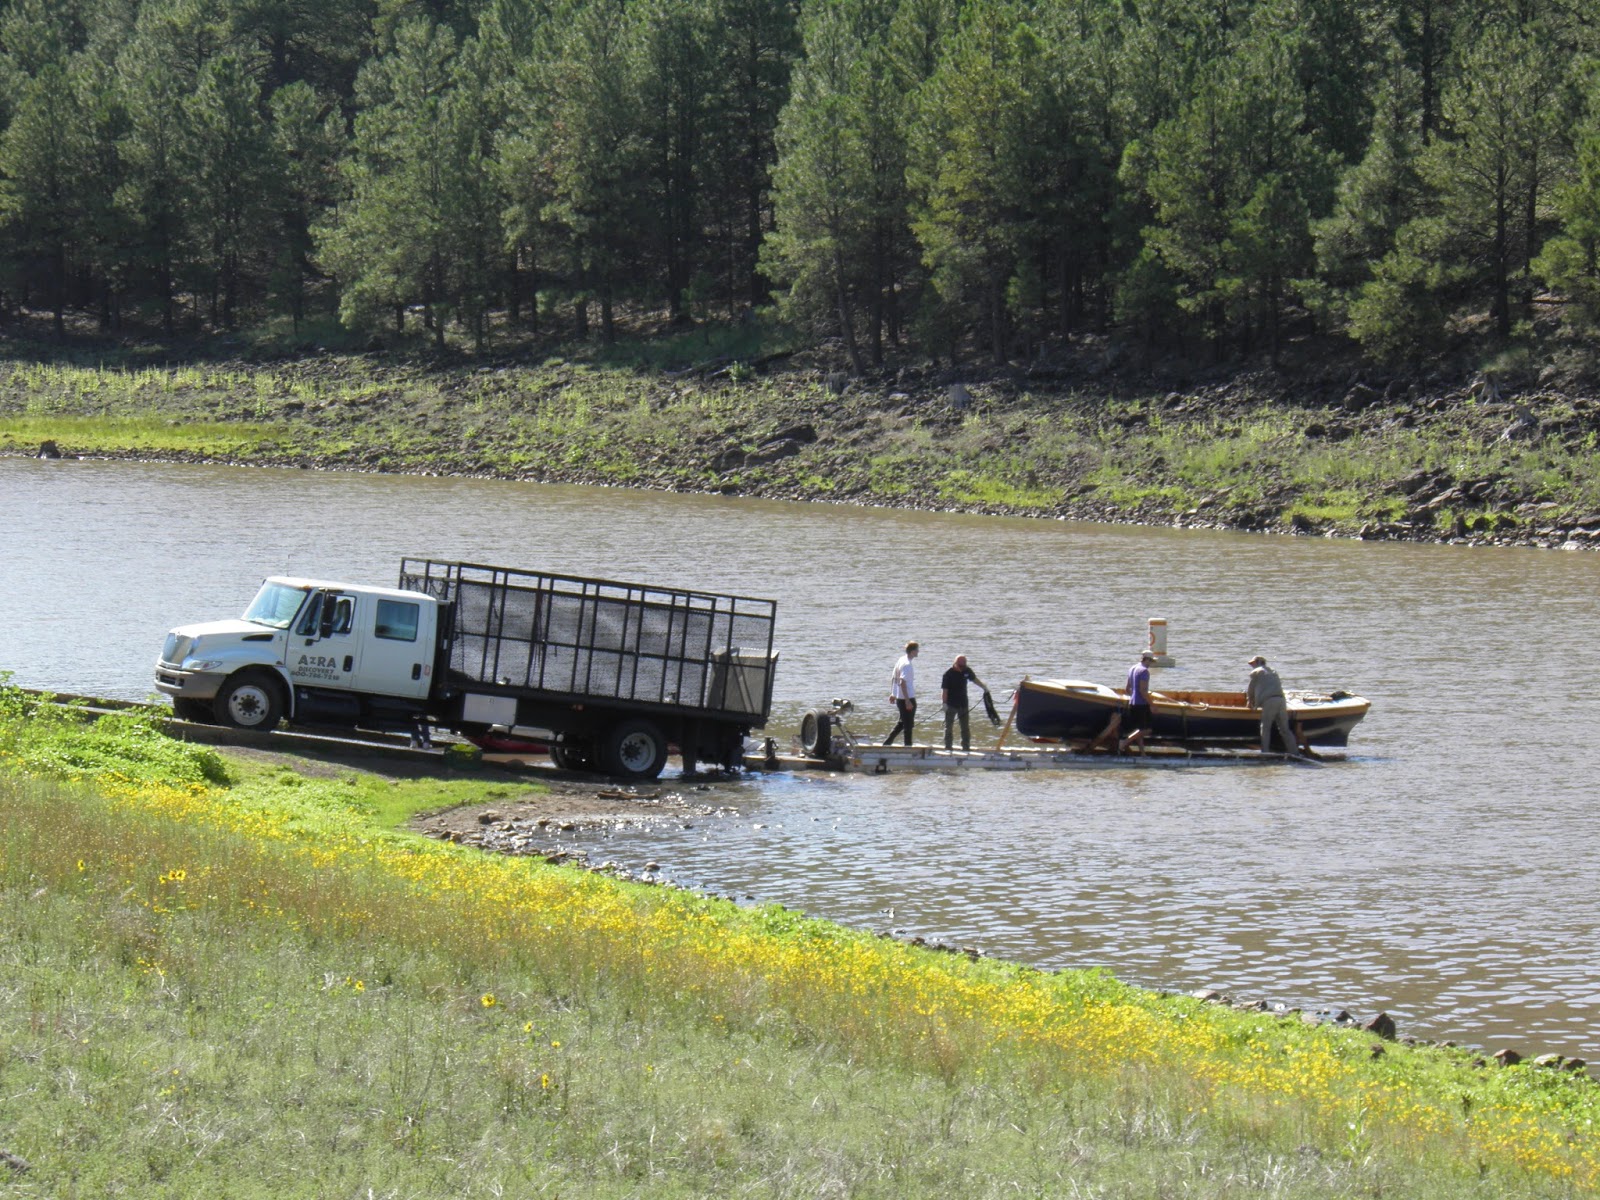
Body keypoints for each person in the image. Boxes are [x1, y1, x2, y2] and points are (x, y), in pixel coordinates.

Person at [1245, 654, 1300, 755]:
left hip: (1269, 701)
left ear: (1258, 663)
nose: (1251, 665)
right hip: (1281, 700)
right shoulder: (1273, 671)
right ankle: (1295, 753)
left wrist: (1249, 701)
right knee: (1285, 729)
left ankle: (1265, 753)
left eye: (1253, 663)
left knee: (1265, 728)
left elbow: (1251, 689)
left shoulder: (1256, 672)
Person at [939, 654, 990, 751]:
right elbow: (944, 690)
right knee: (948, 727)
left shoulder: (967, 670)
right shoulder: (948, 674)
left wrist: (984, 687)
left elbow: (974, 680)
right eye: (960, 666)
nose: (962, 668)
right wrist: (944, 703)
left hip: (963, 704)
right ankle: (948, 747)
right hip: (950, 705)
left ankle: (966, 747)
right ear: (955, 663)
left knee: (965, 727)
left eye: (964, 665)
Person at [1118, 650, 1156, 753]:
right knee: (1147, 729)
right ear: (1147, 660)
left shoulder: (1132, 668)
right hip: (1141, 704)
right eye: (1151, 661)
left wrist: (1134, 696)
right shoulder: (1144, 671)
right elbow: (1143, 691)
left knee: (1139, 729)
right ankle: (1124, 742)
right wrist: (1152, 705)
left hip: (1132, 702)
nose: (1151, 664)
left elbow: (1127, 688)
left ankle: (1142, 753)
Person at [884, 640, 919, 746]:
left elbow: (894, 677)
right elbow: (902, 681)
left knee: (902, 723)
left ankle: (887, 743)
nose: (918, 652)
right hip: (907, 698)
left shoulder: (901, 659)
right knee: (908, 725)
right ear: (912, 651)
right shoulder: (907, 664)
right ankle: (908, 747)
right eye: (917, 650)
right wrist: (908, 701)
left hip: (900, 698)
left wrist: (893, 693)